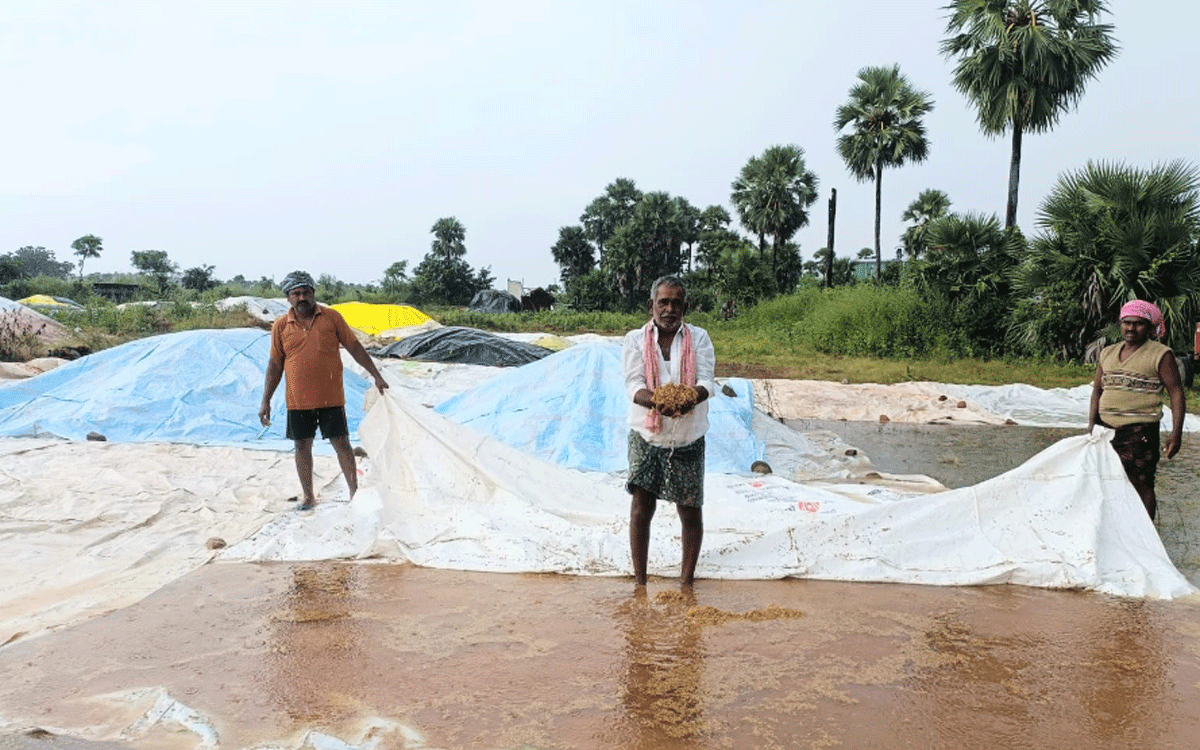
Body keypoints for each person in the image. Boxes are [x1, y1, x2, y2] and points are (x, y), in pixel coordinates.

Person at [259, 271, 389, 510]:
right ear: (288, 297)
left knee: (342, 443)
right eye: (296, 293)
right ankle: (308, 496)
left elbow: (354, 347)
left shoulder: (332, 318)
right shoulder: (280, 326)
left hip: (331, 397)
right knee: (302, 446)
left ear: (313, 293)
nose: (301, 297)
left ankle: (354, 493)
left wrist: (377, 376)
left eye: (306, 292)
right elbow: (275, 364)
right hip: (298, 400)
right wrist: (265, 400)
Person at [622, 275, 716, 586]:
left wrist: (689, 398)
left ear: (685, 307)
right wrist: (658, 402)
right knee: (641, 508)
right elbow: (634, 385)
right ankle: (640, 582)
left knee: (690, 511)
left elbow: (705, 382)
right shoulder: (635, 340)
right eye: (663, 302)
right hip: (646, 435)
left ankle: (686, 583)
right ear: (651, 305)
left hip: (688, 435)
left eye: (676, 302)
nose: (669, 309)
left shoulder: (699, 338)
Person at [1088, 300, 1185, 520]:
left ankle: (1146, 537)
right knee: (1107, 480)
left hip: (1139, 430)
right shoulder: (1108, 353)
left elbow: (1176, 392)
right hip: (1106, 430)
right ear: (1120, 324)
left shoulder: (1160, 354)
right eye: (1127, 323)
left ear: (1150, 328)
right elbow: (1097, 391)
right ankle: (1119, 529)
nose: (1131, 328)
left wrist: (1176, 434)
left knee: (1141, 482)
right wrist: (1091, 424)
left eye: (1138, 323)